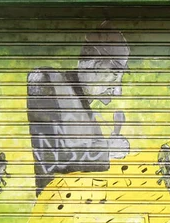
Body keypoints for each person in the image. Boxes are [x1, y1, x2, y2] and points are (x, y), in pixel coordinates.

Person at [27, 21, 130, 196]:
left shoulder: (86, 110)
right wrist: (107, 150)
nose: (118, 90)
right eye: (114, 77)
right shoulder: (45, 80)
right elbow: (51, 158)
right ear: (97, 67)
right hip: (57, 210)